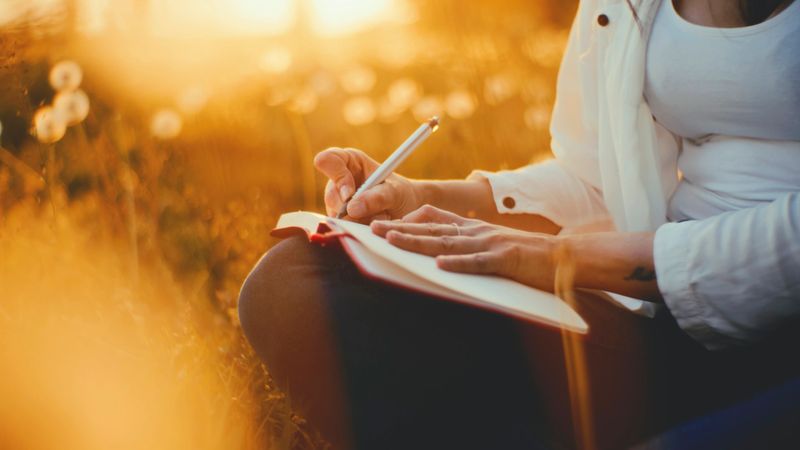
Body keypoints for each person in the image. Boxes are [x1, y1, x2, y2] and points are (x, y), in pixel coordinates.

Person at [238, 0, 800, 448]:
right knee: (294, 282)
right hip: (661, 326)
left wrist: (552, 259)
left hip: (778, 345)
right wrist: (420, 199)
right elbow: (597, 178)